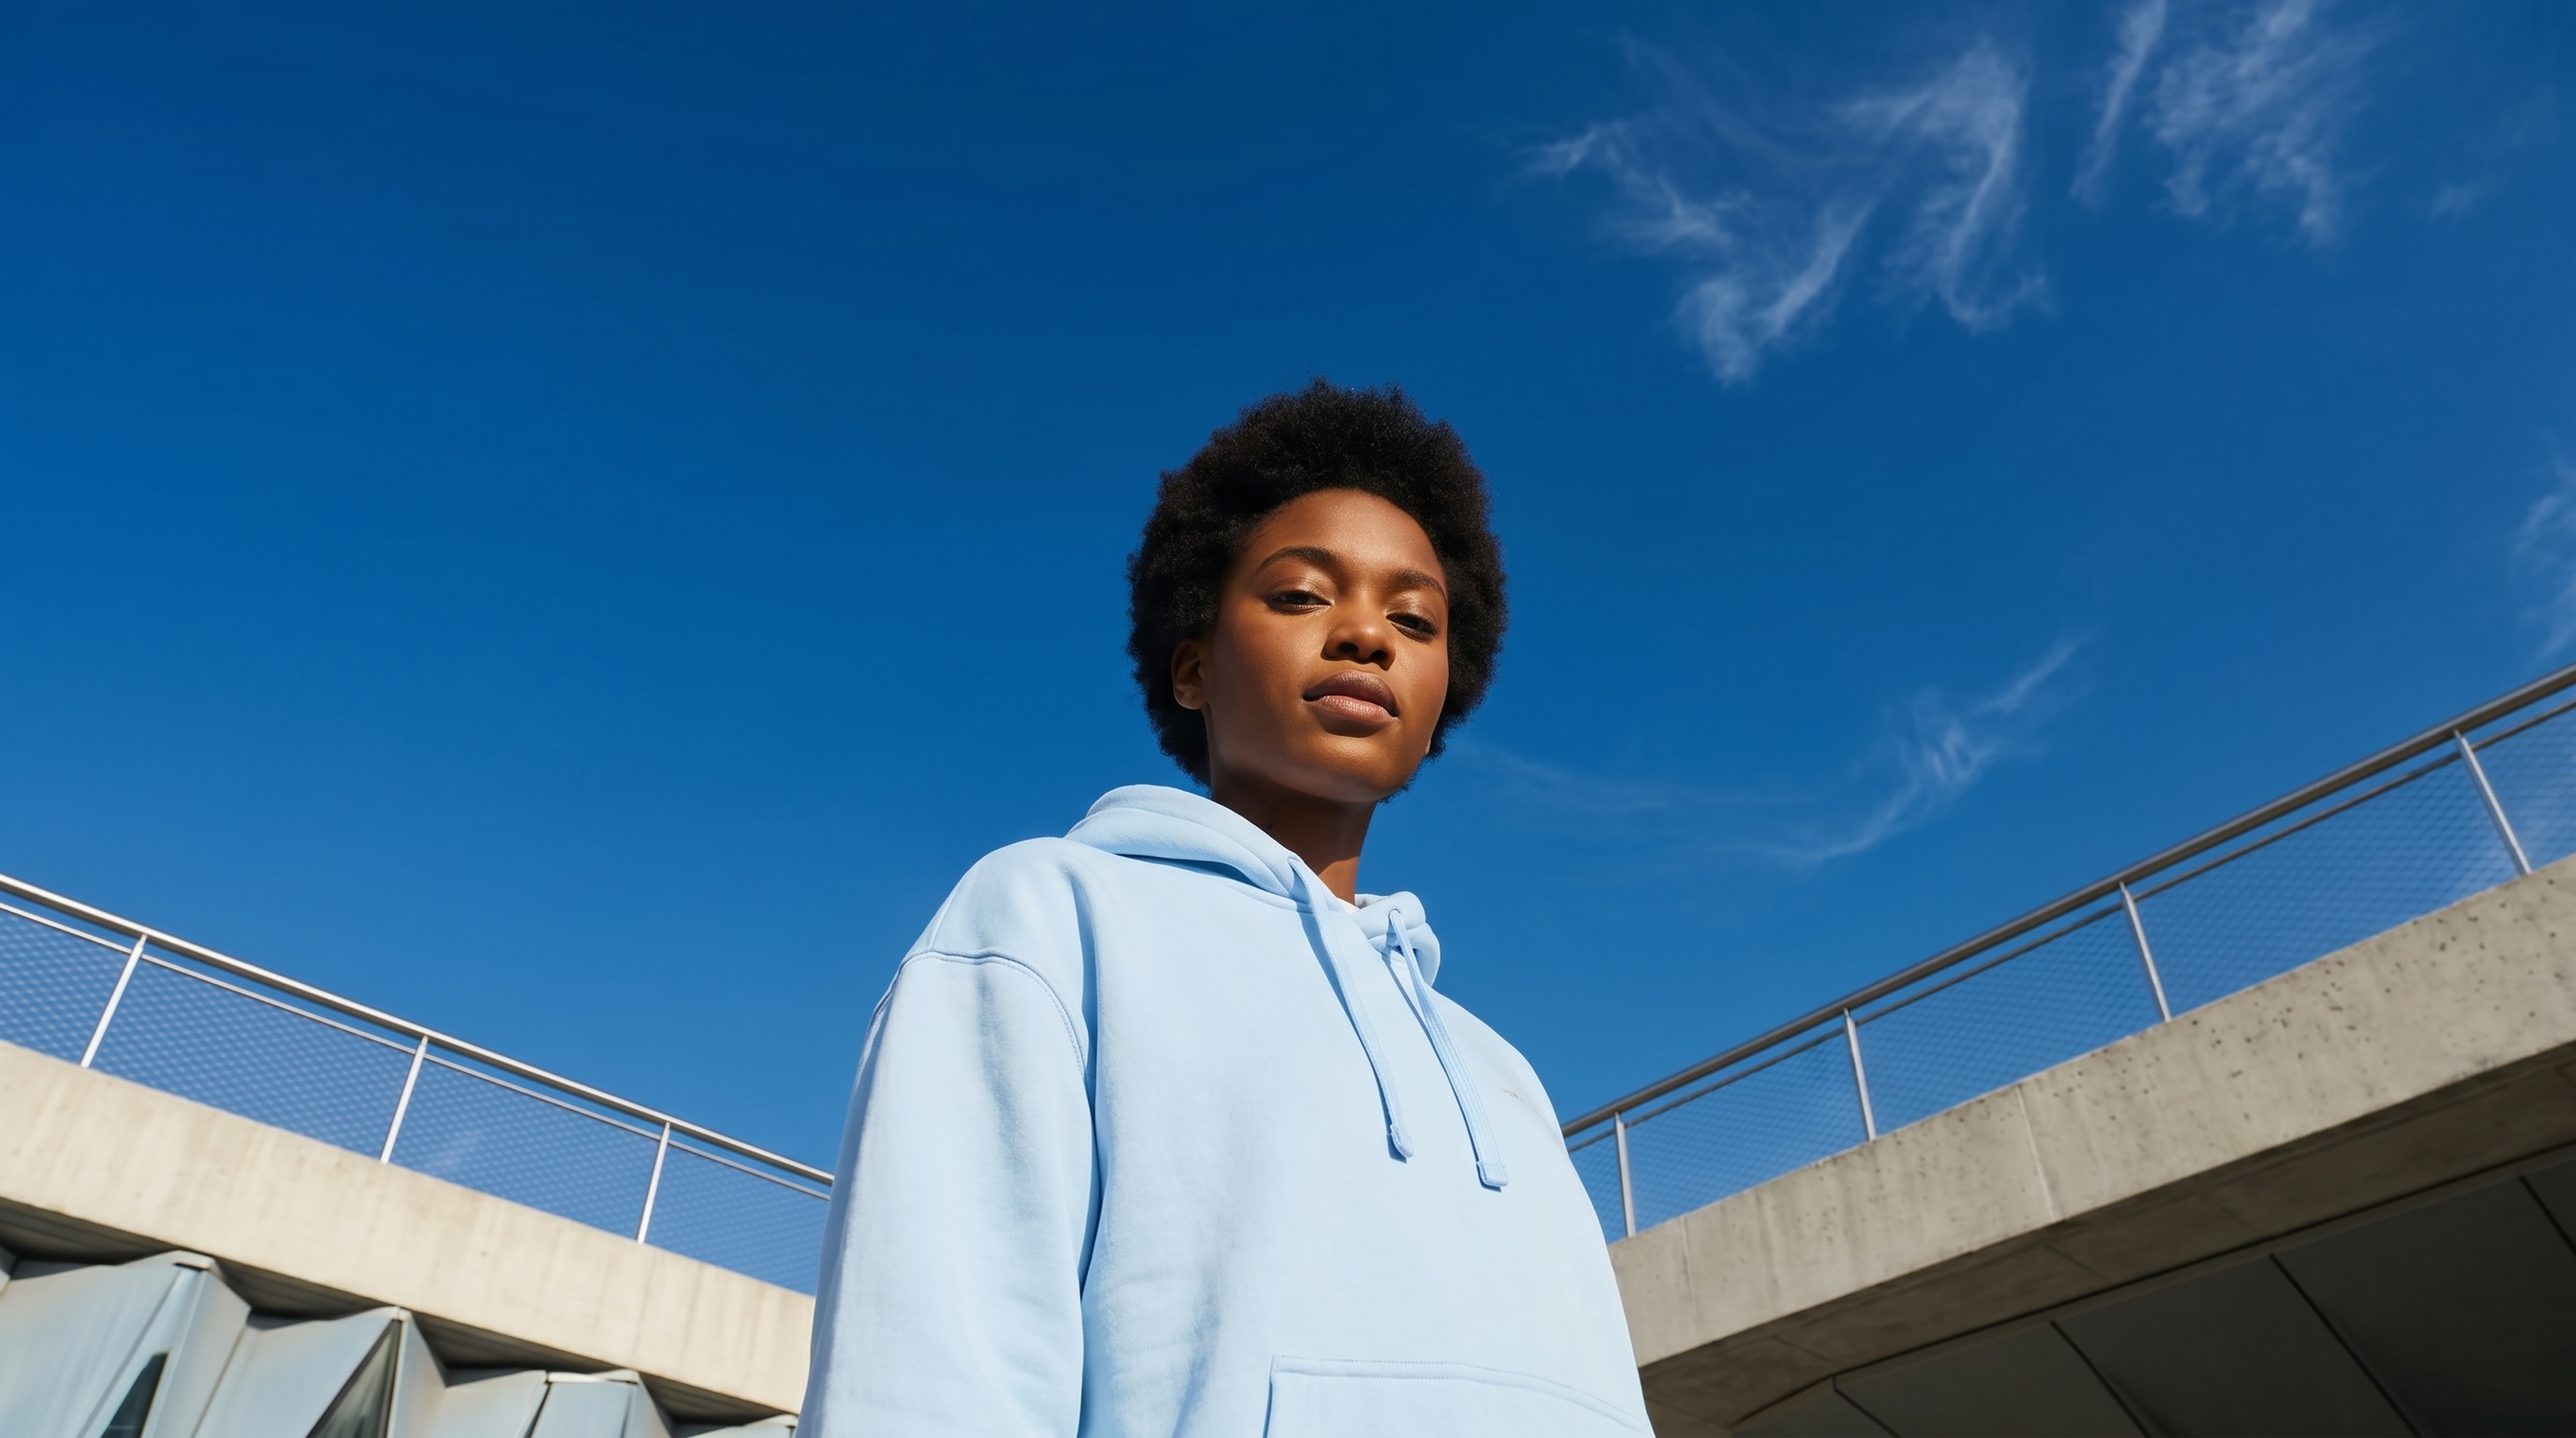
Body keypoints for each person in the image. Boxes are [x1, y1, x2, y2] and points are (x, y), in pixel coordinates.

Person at [802, 381, 1649, 1437]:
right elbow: (932, 1382)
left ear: (1443, 697)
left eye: (1414, 619)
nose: (1366, 636)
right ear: (1194, 667)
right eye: (1301, 596)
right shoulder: (1051, 918)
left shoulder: (1502, 1073)